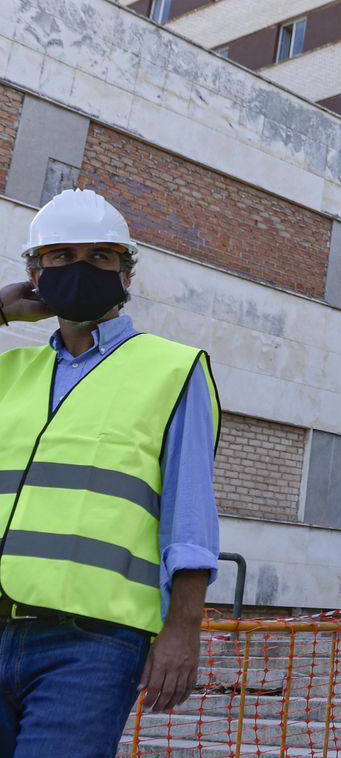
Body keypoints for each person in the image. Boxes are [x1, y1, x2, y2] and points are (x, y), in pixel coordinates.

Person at [0, 189, 221, 755]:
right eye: (61, 256)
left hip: (92, 642)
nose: (81, 267)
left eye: (101, 256)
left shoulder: (173, 369)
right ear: (34, 274)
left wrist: (181, 632)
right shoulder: (11, 371)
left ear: (126, 275)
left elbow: (188, 515)